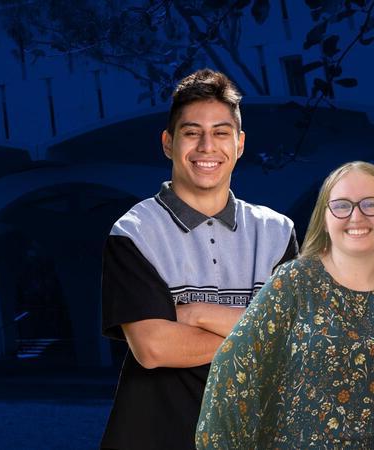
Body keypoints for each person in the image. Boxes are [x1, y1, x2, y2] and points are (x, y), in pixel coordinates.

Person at [100, 68, 299, 449]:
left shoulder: (277, 232)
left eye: (221, 133)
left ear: (239, 144)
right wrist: (261, 334)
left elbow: (292, 343)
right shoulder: (134, 232)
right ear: (168, 143)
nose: (207, 146)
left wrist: (196, 313)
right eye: (192, 133)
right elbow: (154, 348)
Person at [195, 161, 374, 448]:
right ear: (325, 219)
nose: (356, 216)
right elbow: (233, 371)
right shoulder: (294, 282)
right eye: (342, 206)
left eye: (371, 204)